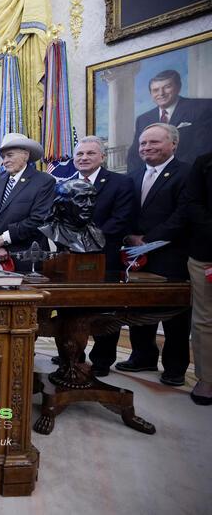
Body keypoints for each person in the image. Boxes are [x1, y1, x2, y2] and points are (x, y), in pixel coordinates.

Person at [116, 123, 191, 386]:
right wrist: (129, 237)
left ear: (173, 144)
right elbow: (123, 213)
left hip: (171, 255)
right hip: (136, 256)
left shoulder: (186, 173)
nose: (146, 147)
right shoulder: (132, 177)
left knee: (176, 316)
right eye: (143, 143)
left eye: (154, 143)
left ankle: (175, 367)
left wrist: (148, 239)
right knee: (139, 308)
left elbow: (183, 215)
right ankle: (142, 356)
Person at [70, 136, 137, 376]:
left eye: (90, 153)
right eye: (80, 154)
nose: (84, 158)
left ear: (102, 157)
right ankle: (72, 354)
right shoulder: (65, 184)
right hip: (71, 260)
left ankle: (101, 360)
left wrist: (88, 240)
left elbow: (121, 220)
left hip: (104, 258)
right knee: (72, 310)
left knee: (105, 311)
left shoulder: (121, 183)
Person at [0, 133, 55, 267]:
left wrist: (2, 240)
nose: (4, 161)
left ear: (26, 155)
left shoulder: (44, 181)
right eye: (3, 157)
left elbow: (38, 219)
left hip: (27, 259)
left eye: (9, 155)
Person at [125, 69, 212, 172]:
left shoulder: (203, 107)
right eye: (156, 90)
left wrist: (170, 173)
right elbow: (134, 156)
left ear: (178, 87)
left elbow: (204, 148)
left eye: (167, 87)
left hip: (190, 175)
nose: (161, 93)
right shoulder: (143, 119)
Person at [183, 151, 212, 405]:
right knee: (205, 319)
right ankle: (207, 380)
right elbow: (193, 204)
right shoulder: (204, 162)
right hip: (207, 253)